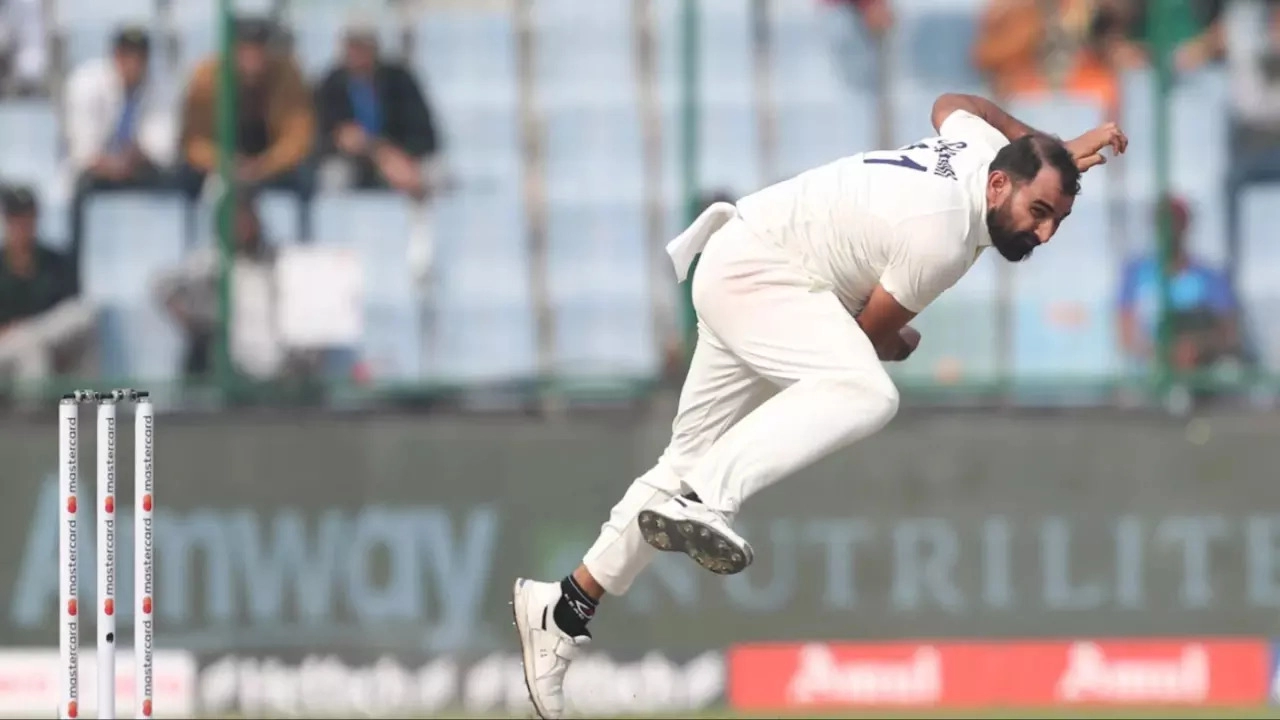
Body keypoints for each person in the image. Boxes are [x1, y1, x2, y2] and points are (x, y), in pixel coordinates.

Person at [510, 92, 1128, 719]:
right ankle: (708, 498)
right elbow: (866, 340)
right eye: (1039, 210)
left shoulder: (980, 150)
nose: (1044, 232)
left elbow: (954, 103)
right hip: (765, 278)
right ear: (998, 185)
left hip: (748, 262)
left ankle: (562, 608)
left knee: (683, 459)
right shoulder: (941, 237)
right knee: (866, 392)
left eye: (1057, 220)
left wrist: (1051, 146)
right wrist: (898, 341)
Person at [64, 26, 175, 261]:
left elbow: (164, 148)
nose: (134, 64)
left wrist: (136, 157)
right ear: (115, 56)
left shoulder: (161, 83)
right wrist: (115, 164)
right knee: (82, 189)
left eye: (140, 57)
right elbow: (84, 151)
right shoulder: (86, 83)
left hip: (139, 169)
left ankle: (161, 260)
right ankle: (78, 267)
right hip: (99, 174)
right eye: (127, 56)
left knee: (178, 182)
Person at [178, 18, 315, 205]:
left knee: (305, 176)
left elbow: (297, 138)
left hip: (268, 160)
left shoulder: (287, 75)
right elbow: (193, 141)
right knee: (187, 177)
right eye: (245, 51)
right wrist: (224, 163)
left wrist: (264, 165)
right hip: (221, 159)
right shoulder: (207, 76)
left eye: (258, 50)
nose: (252, 59)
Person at [314, 18, 441, 199]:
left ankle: (421, 226)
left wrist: (396, 155)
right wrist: (339, 141)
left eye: (363, 47)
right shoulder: (330, 84)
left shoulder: (400, 80)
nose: (357, 54)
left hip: (400, 156)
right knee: (333, 175)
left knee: (435, 174)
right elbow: (316, 137)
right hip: (353, 162)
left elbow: (426, 134)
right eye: (352, 47)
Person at [1118, 194, 1241, 372]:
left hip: (1199, 380)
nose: (1170, 230)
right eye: (1162, 222)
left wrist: (1196, 347)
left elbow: (1228, 334)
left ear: (1186, 226)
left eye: (1176, 222)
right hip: (1149, 380)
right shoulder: (1135, 273)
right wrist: (1163, 353)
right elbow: (1126, 336)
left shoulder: (1211, 278)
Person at [0, 186, 96, 391]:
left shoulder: (54, 261)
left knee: (84, 316)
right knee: (29, 348)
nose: (23, 226)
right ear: (7, 221)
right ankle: (35, 420)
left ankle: (89, 408)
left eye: (28, 218)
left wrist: (29, 331)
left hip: (46, 334)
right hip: (7, 344)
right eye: (17, 219)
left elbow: (70, 308)